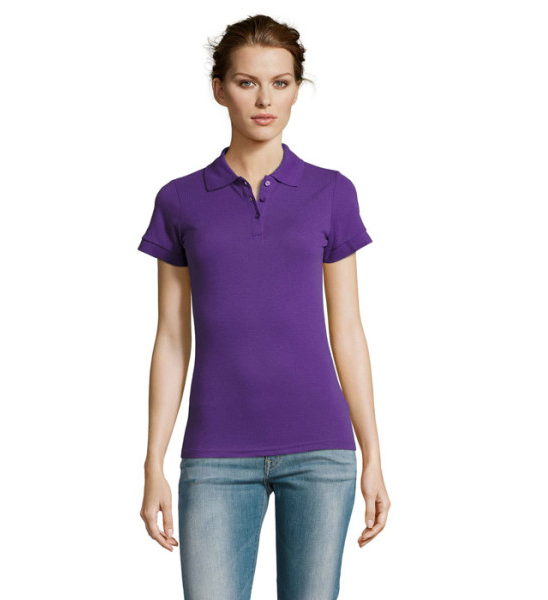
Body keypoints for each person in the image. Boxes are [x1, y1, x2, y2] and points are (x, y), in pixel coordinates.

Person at [138, 14, 390, 600]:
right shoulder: (179, 200)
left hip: (321, 451)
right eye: (247, 82)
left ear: (297, 89)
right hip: (215, 455)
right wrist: (153, 462)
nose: (264, 99)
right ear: (219, 89)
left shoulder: (331, 192)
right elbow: (171, 339)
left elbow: (347, 330)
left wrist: (373, 453)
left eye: (280, 83)